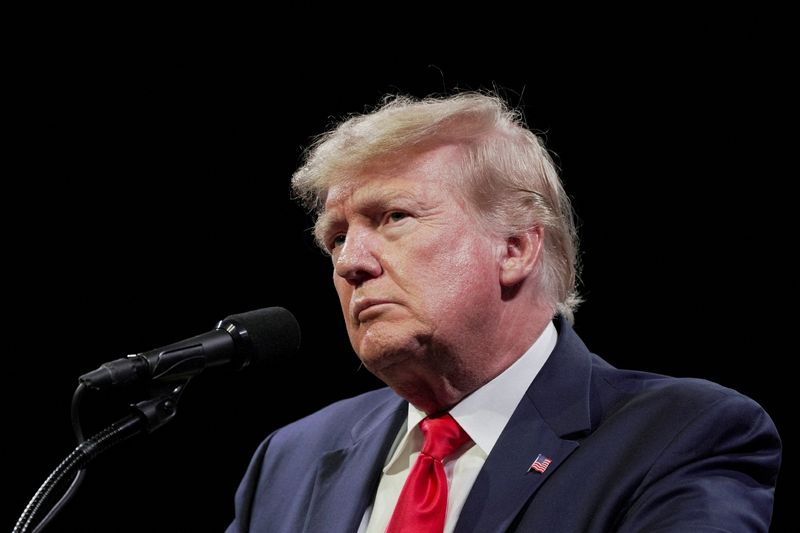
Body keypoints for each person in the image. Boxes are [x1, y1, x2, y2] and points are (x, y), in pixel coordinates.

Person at [226, 92, 781, 532]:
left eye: (394, 217)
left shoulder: (678, 434)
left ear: (515, 248)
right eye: (337, 237)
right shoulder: (290, 458)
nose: (351, 263)